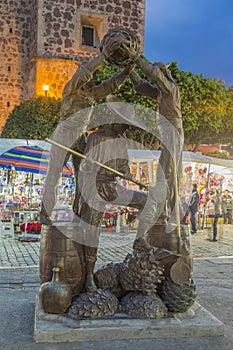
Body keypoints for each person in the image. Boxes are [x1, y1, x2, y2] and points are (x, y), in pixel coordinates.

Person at [40, 30, 135, 224]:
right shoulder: (72, 87)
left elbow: (110, 86)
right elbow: (84, 71)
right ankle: (44, 213)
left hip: (81, 136)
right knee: (54, 174)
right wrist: (103, 56)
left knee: (83, 176)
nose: (93, 77)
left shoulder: (91, 94)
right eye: (92, 74)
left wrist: (128, 71)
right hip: (64, 134)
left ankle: (78, 211)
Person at [77, 118, 148, 292]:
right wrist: (90, 164)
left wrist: (125, 173)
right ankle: (88, 278)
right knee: (91, 231)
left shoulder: (121, 142)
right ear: (113, 122)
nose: (124, 129)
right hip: (94, 186)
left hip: (111, 186)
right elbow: (84, 168)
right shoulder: (95, 138)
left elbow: (123, 165)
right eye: (123, 125)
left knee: (145, 200)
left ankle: (140, 241)